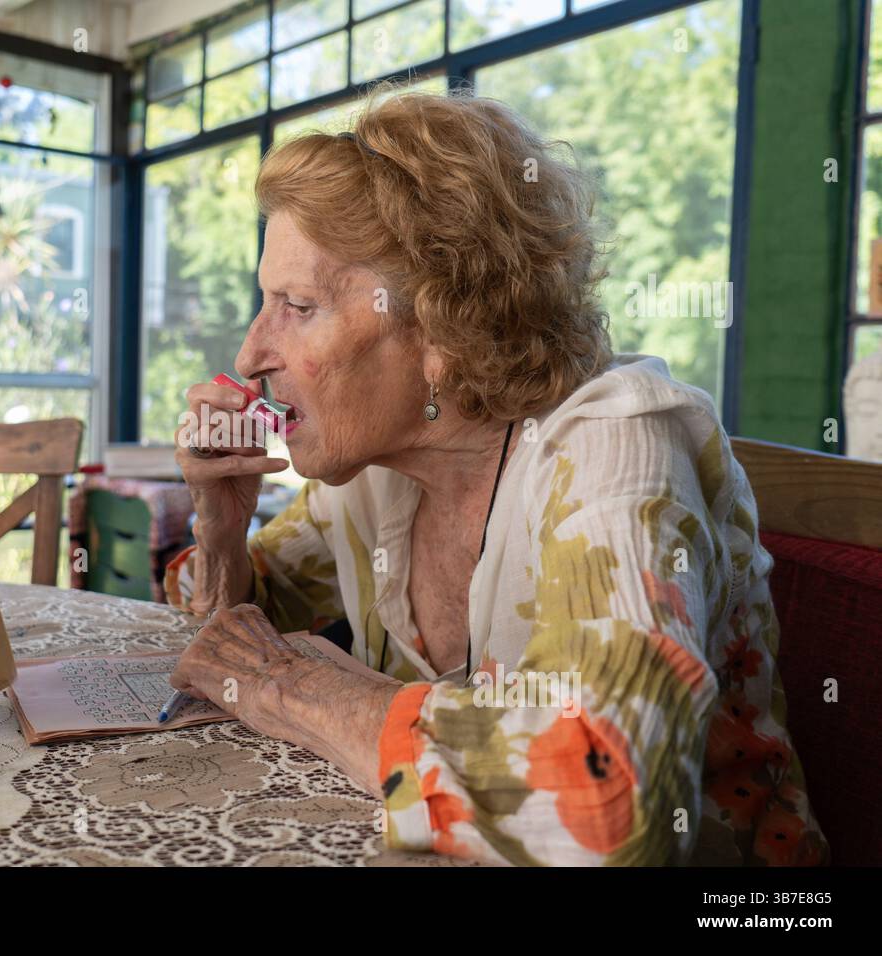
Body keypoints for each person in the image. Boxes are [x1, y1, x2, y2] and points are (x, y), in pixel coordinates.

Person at [164, 87, 826, 866]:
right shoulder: (377, 473)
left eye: (298, 305)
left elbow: (609, 803)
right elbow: (227, 632)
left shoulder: (615, 448)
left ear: (445, 322)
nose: (248, 357)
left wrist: (293, 689)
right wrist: (219, 516)